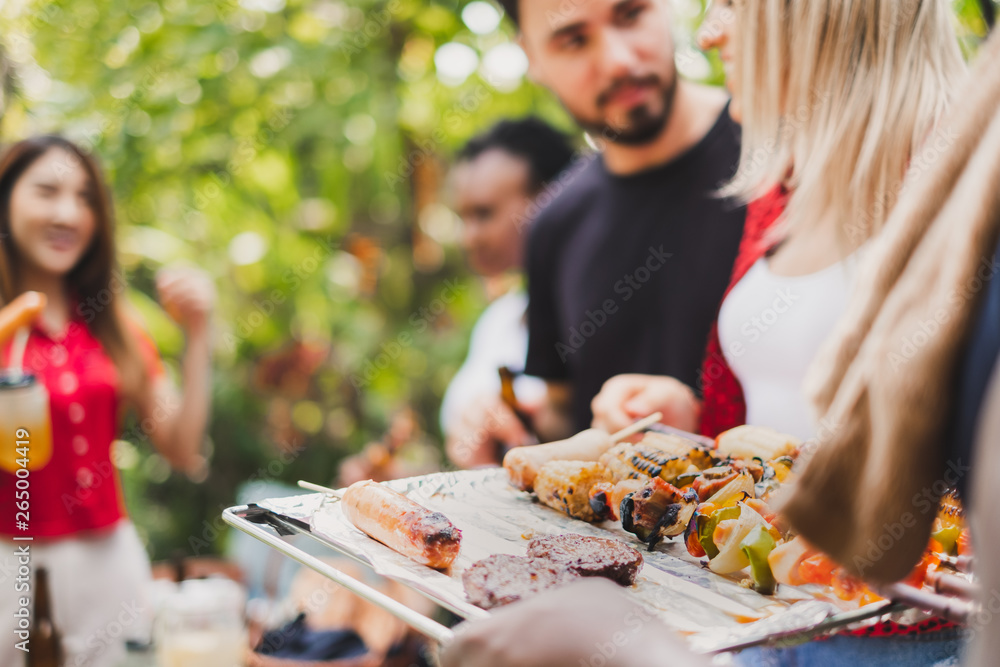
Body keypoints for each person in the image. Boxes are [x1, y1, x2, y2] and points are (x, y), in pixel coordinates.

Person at [454, 0, 747, 466]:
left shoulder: (776, 157)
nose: (619, 61)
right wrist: (508, 418)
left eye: (630, 14)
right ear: (531, 56)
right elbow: (565, 413)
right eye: (573, 39)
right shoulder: (554, 225)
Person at [0, 136, 215, 666]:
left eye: (85, 198)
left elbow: (182, 450)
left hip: (109, 567)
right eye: (46, 192)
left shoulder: (113, 325)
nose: (68, 213)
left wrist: (200, 332)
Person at [441, 118, 576, 468]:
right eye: (463, 216)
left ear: (551, 200)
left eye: (484, 214)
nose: (468, 237)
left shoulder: (595, 313)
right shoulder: (500, 319)